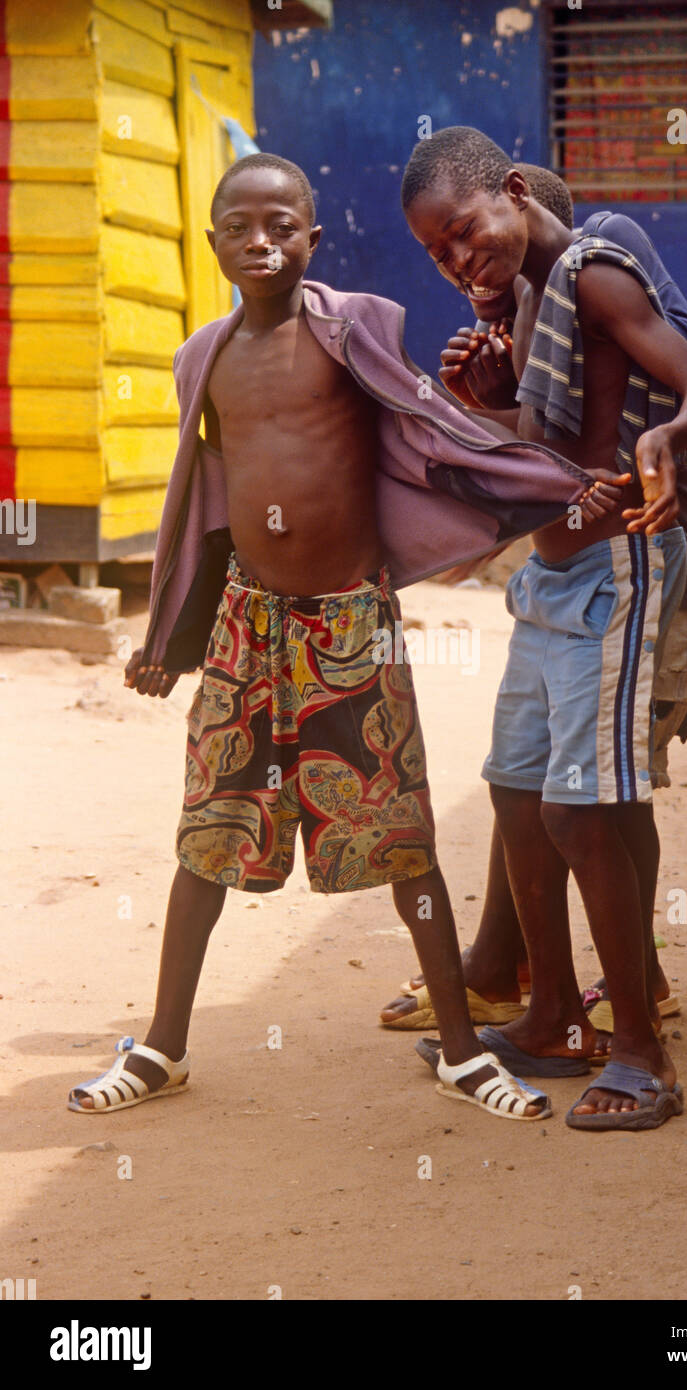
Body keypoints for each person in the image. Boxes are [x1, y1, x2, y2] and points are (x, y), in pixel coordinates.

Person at [67, 152, 623, 1124]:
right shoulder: (202, 355)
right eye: (241, 227)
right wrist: (170, 633)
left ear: (312, 240)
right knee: (210, 828)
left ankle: (458, 1050)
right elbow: (199, 504)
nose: (263, 241)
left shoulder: (354, 327)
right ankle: (162, 1044)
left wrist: (535, 461)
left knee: (402, 834)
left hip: (350, 621)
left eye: (283, 225)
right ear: (213, 243)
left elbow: (433, 427)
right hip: (249, 622)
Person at [396, 127, 687, 1129]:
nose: (461, 261)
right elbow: (547, 454)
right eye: (439, 255)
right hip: (549, 578)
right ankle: (549, 1016)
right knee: (514, 790)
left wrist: (667, 439)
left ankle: (642, 1051)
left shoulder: (593, 272)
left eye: (462, 232)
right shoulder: (531, 303)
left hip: (616, 576)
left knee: (583, 808)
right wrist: (492, 403)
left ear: (510, 191)